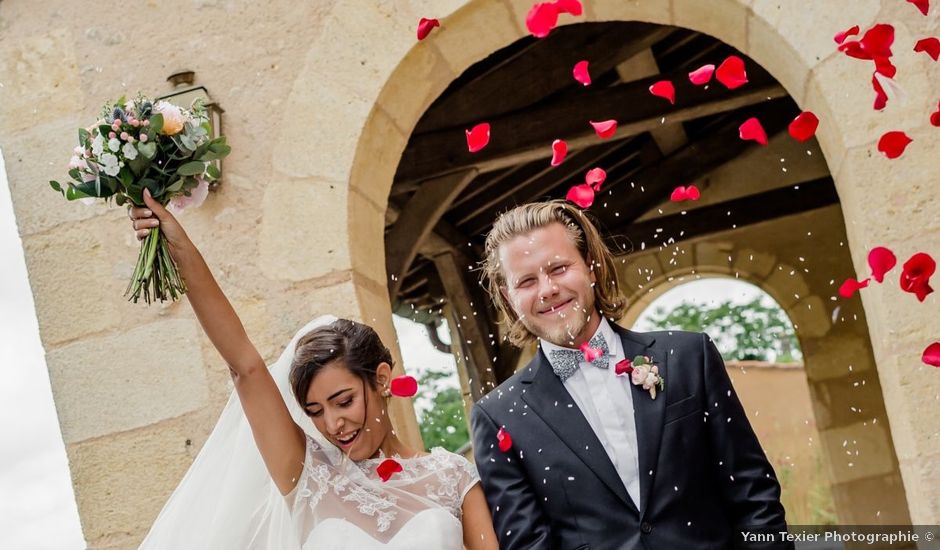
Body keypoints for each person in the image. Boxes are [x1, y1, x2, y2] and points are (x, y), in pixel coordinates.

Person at [128, 189, 498, 550]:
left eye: (343, 400)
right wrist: (178, 247)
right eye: (315, 411)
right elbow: (246, 367)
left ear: (382, 379)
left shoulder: (452, 478)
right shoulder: (307, 476)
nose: (334, 424)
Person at [470, 200, 793, 549]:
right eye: (527, 281)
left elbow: (754, 496)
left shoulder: (687, 357)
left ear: (591, 267)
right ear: (508, 296)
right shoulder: (497, 417)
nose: (547, 288)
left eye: (559, 268)